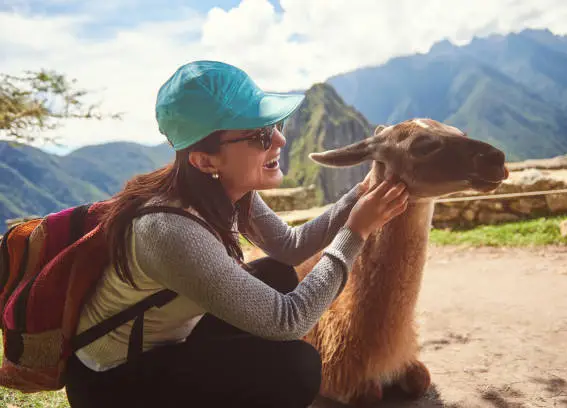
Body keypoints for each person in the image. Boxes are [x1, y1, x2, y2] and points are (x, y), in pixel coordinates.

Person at [63, 60, 410, 408]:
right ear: (204, 161)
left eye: (274, 124)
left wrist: (361, 193)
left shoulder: (227, 190)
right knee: (296, 369)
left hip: (172, 341)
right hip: (113, 383)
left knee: (276, 274)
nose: (279, 139)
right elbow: (287, 320)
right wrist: (356, 231)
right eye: (259, 135)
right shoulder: (168, 230)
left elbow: (290, 247)